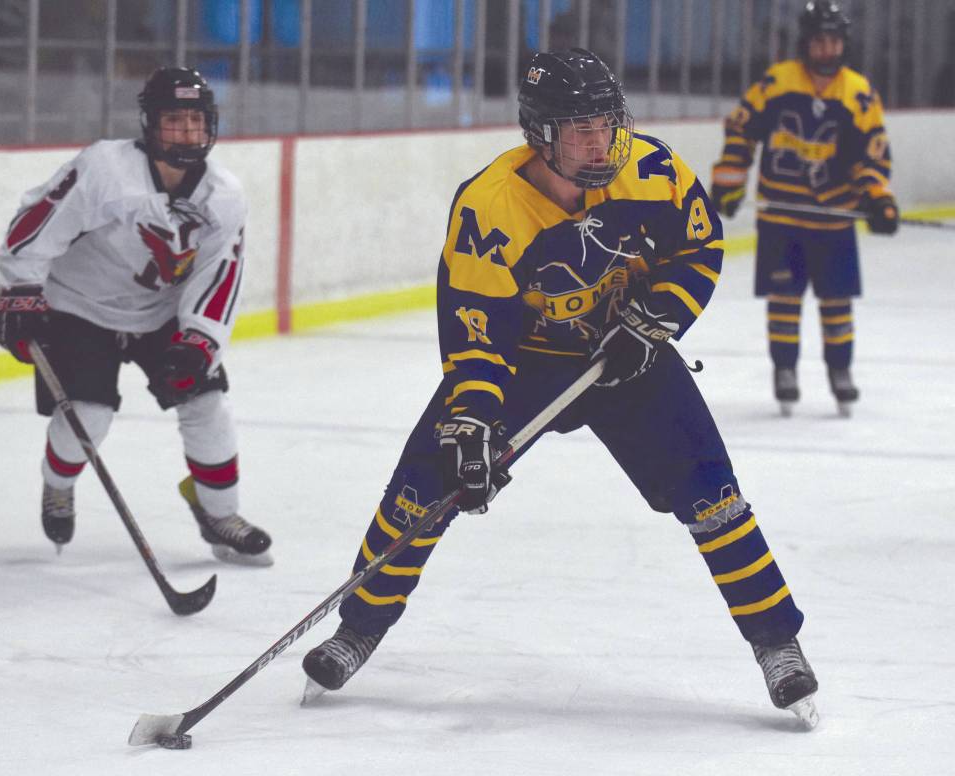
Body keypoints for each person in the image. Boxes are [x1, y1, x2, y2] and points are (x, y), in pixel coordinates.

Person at [301, 48, 819, 727]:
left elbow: (699, 249)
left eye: (605, 122)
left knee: (713, 495)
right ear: (539, 134)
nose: (597, 141)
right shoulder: (490, 207)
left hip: (624, 354)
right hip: (526, 361)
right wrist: (474, 426)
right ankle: (358, 628)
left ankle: (778, 641)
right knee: (424, 488)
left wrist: (655, 319)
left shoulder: (654, 170)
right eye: (578, 129)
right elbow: (478, 337)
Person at [0, 67, 272, 566]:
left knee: (207, 404)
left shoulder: (224, 196)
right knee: (89, 418)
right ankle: (58, 484)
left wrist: (200, 339)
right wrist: (18, 293)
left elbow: (220, 275)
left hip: (159, 313)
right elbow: (38, 222)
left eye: (196, 121)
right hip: (80, 308)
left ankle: (220, 514)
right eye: (174, 121)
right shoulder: (105, 169)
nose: (187, 133)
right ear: (148, 124)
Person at [710, 0, 898, 416]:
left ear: (843, 44)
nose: (826, 50)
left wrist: (877, 197)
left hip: (833, 220)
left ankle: (840, 371)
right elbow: (742, 129)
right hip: (782, 217)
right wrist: (729, 180)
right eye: (819, 42)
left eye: (833, 41)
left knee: (836, 302)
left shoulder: (858, 92)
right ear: (806, 43)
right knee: (784, 300)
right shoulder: (777, 82)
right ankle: (785, 370)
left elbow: (871, 155)